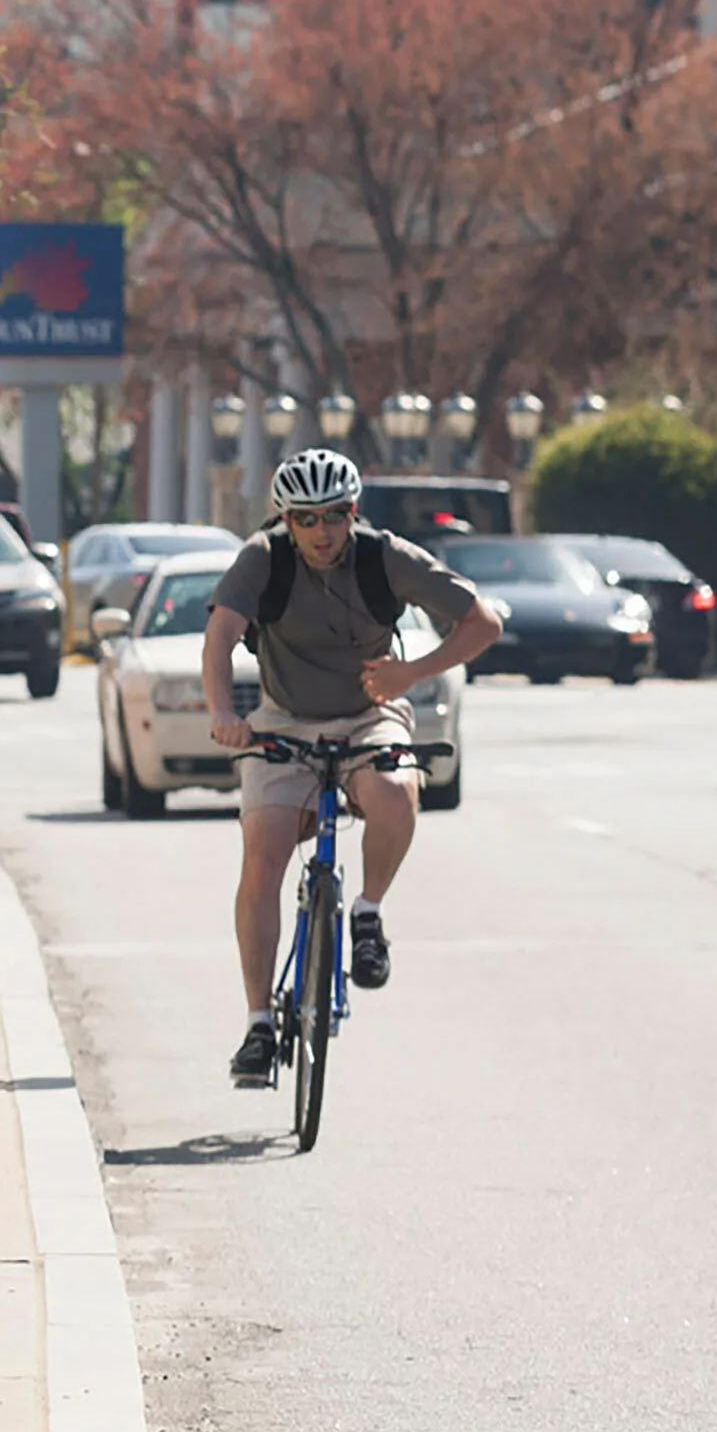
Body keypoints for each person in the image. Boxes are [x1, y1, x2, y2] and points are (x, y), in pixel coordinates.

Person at [201, 448, 503, 1087]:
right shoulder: (263, 557)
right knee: (264, 851)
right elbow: (221, 636)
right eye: (305, 519)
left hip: (370, 714)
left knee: (395, 792)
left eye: (334, 516)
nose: (321, 532)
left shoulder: (383, 555)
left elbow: (484, 621)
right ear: (285, 518)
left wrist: (411, 674)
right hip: (285, 718)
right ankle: (258, 1023)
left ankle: (367, 912)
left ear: (353, 512)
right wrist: (225, 713)